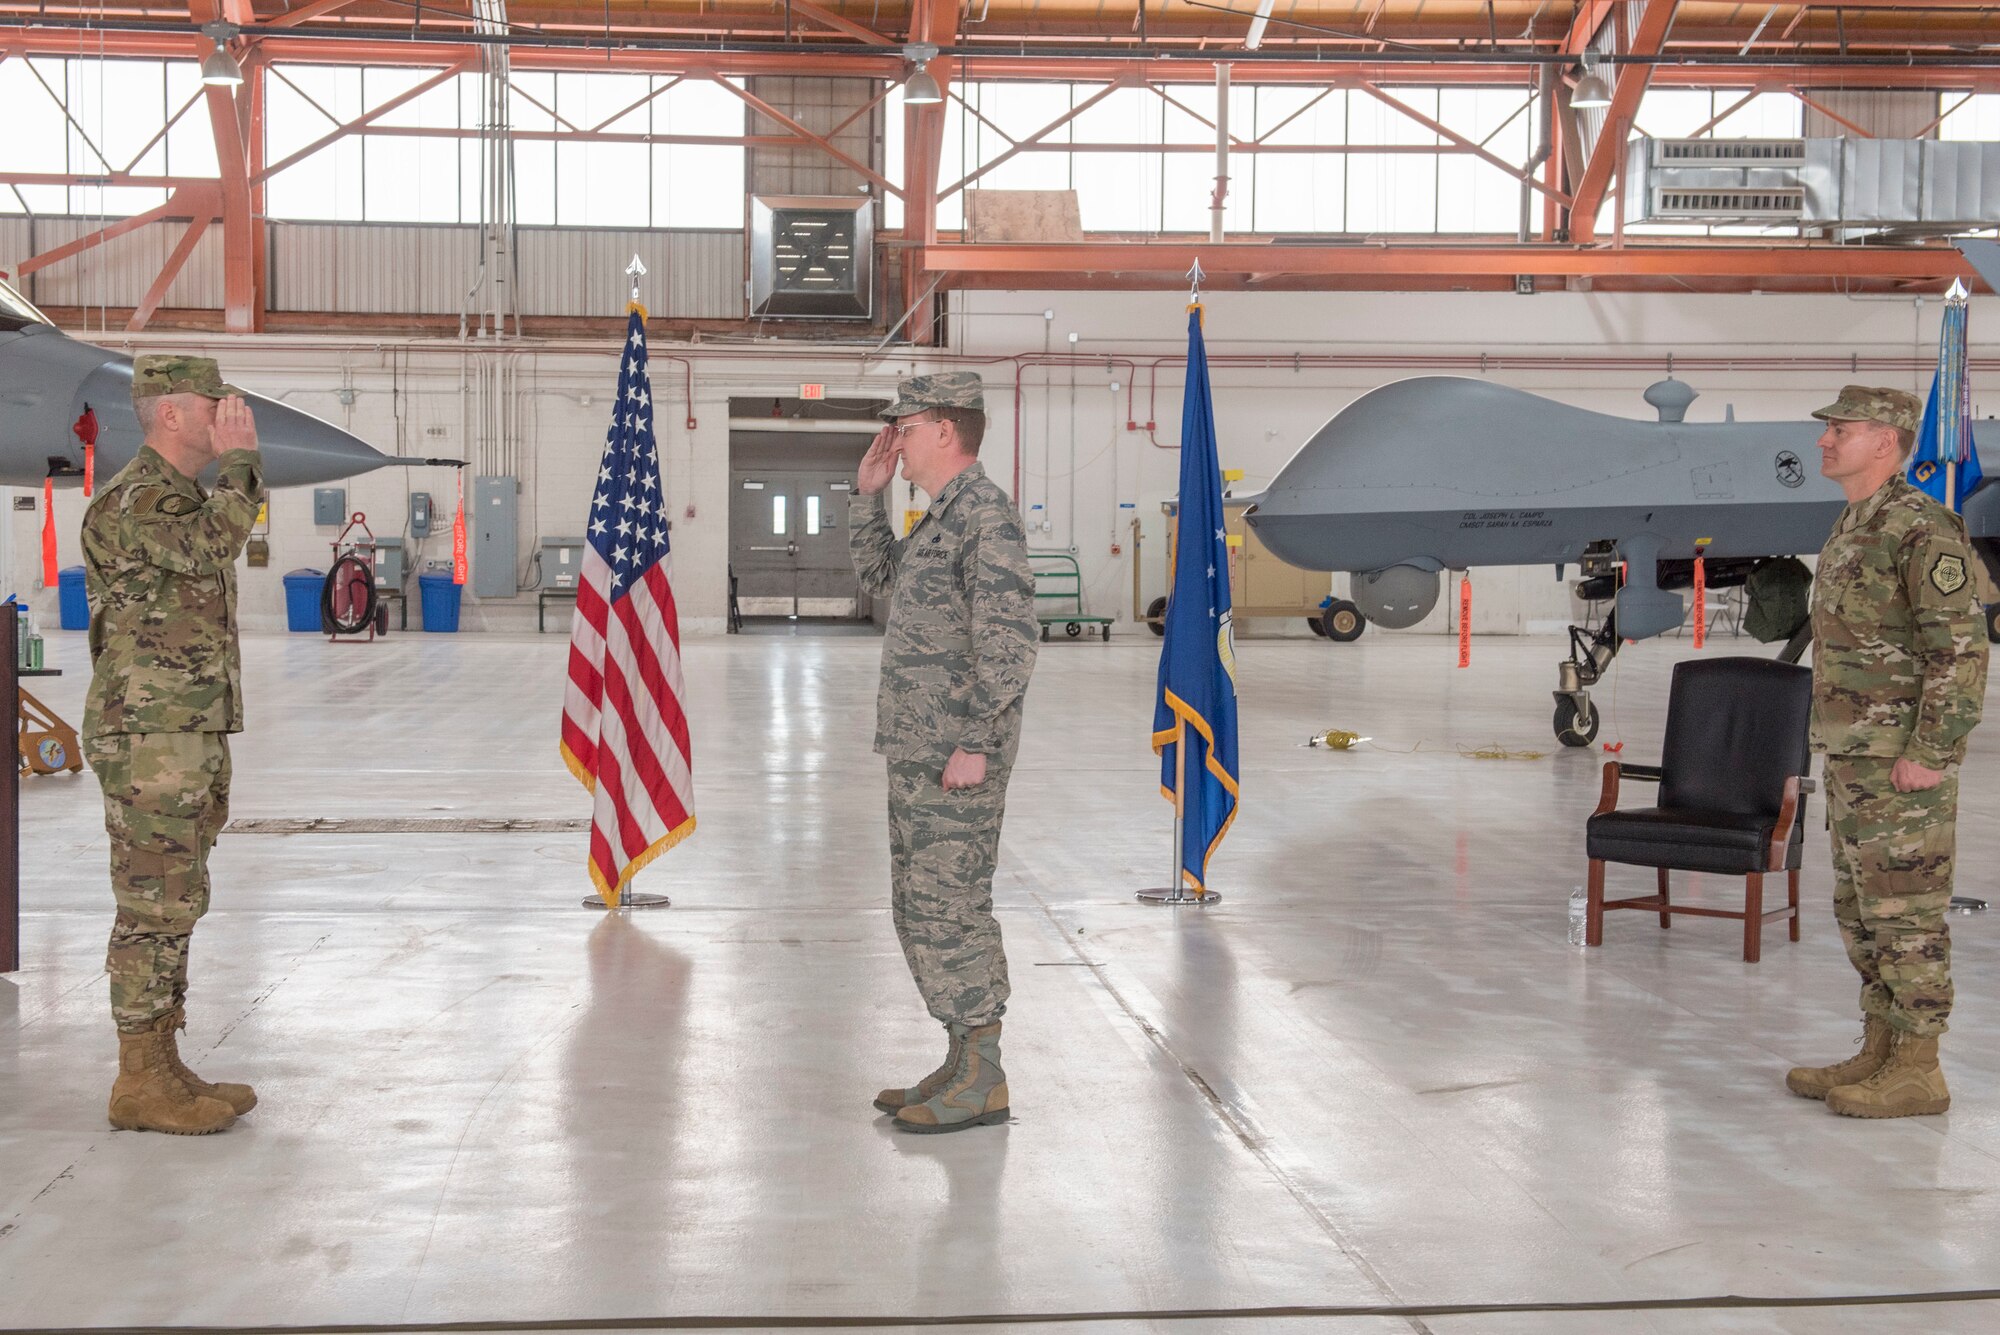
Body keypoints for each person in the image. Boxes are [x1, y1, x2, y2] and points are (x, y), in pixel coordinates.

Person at [1786, 385, 1987, 1118]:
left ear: (1886, 439)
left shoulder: (1920, 529)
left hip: (1901, 760)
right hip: (1852, 755)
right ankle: (1880, 1044)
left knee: (1906, 912)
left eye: (1841, 428)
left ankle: (1920, 1068)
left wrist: (1930, 751)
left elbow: (1961, 653)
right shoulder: (1852, 524)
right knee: (1862, 909)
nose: (1825, 440)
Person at [850, 371, 1039, 1134]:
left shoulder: (985, 518)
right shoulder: (939, 518)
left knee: (952, 907)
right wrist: (868, 496)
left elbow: (1010, 643)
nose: (895, 436)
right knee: (920, 906)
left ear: (944, 431)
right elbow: (878, 581)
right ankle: (962, 1058)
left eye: (906, 423)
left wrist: (977, 744)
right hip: (918, 747)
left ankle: (984, 1072)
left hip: (955, 756)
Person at [82, 355, 264, 1135]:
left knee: (177, 895)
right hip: (149, 733)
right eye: (210, 404)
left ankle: (162, 1060)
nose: (226, 414)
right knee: (152, 902)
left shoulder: (181, 495)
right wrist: (246, 464)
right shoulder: (137, 500)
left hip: (181, 730)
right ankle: (139, 1078)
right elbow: (210, 545)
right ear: (169, 416)